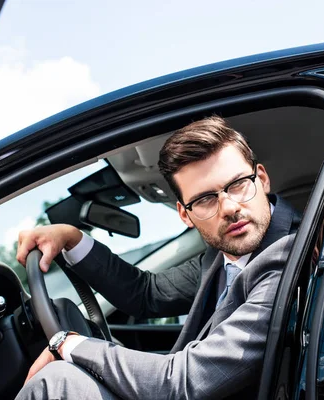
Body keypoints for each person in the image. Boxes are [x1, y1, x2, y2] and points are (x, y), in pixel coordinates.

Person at [15, 116, 300, 399]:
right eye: (204, 199)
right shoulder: (224, 254)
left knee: (57, 382)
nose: (228, 207)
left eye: (238, 184)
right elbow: (146, 294)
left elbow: (186, 382)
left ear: (261, 179)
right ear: (185, 214)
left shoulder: (288, 256)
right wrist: (72, 237)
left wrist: (69, 344)